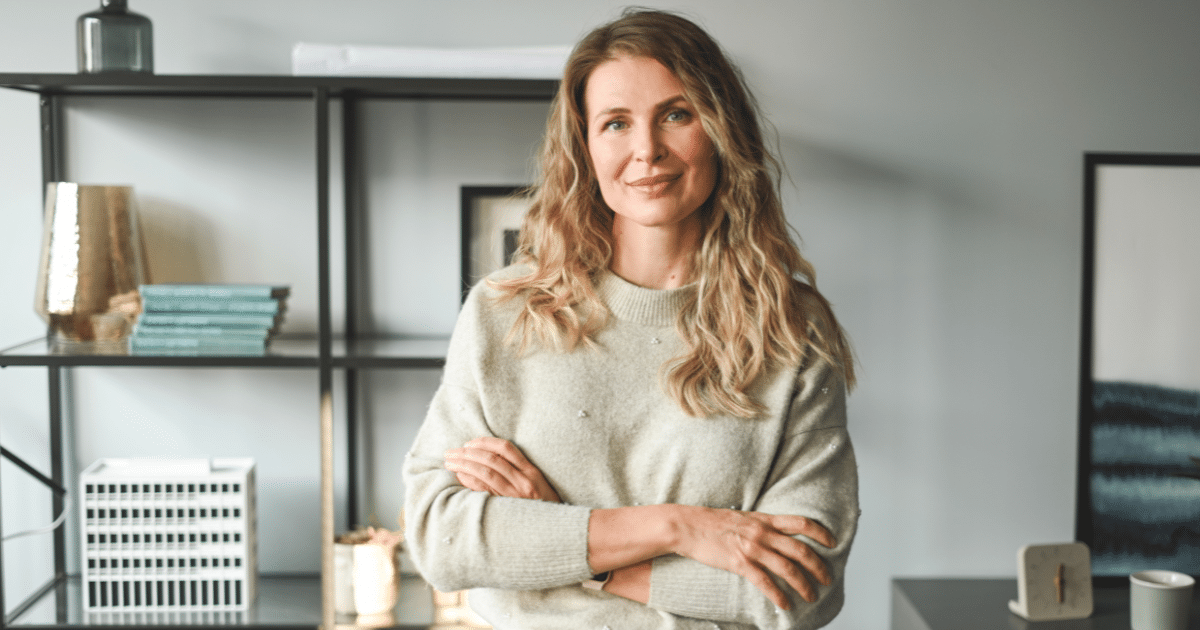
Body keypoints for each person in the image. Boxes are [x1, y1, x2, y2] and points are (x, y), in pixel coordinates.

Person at [403, 8, 858, 630]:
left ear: (722, 130)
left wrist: (571, 546)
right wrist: (682, 528)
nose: (647, 150)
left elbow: (801, 591)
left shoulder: (791, 329)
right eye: (616, 123)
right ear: (584, 145)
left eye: (677, 114)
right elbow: (441, 539)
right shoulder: (503, 311)